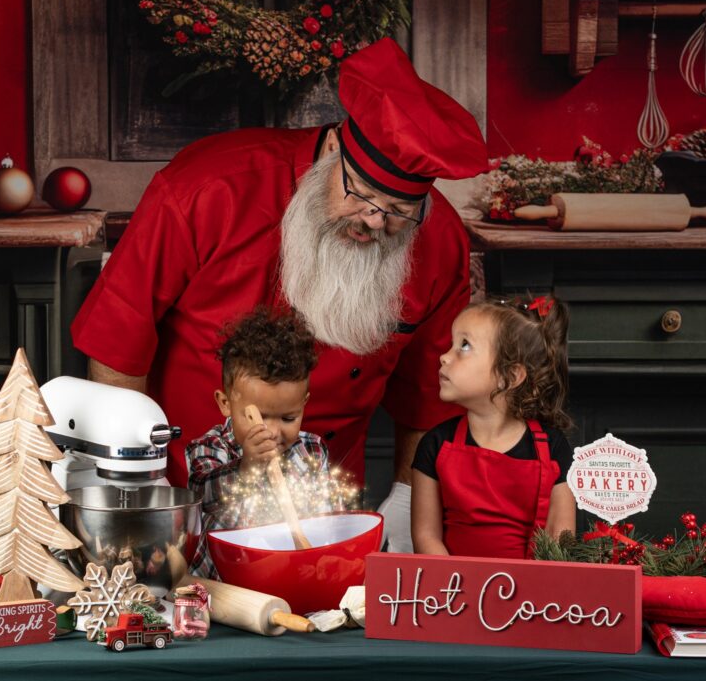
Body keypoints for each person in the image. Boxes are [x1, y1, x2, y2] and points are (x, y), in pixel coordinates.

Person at [71, 37, 490, 552]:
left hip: (328, 516)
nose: (375, 221)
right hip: (187, 499)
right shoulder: (206, 189)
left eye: (399, 211)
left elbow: (431, 395)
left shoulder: (440, 241)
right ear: (335, 147)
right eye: (360, 194)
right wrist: (140, 489)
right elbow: (117, 342)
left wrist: (407, 498)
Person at [411, 297, 577, 559]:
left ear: (509, 376)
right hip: (453, 591)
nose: (444, 356)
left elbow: (560, 537)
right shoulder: (435, 444)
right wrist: (456, 584)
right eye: (452, 344)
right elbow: (425, 536)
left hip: (530, 594)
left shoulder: (552, 447)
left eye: (464, 346)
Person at [185, 308, 330, 578]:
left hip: (285, 576)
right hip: (220, 585)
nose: (274, 432)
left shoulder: (312, 450)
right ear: (225, 403)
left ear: (304, 404)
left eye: (289, 417)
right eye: (260, 417)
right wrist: (248, 466)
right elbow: (201, 495)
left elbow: (325, 517)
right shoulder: (208, 448)